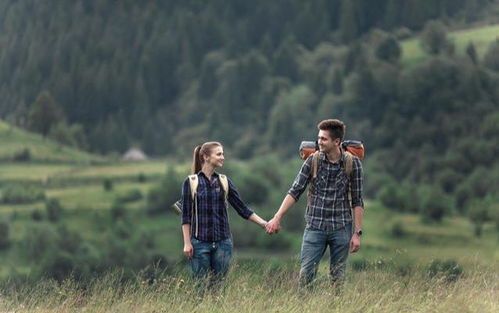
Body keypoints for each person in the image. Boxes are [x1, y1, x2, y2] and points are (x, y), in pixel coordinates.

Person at [266, 119, 364, 287]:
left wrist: (357, 233)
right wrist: (277, 217)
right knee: (306, 275)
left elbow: (358, 200)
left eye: (324, 139)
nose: (319, 142)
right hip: (315, 227)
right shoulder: (313, 160)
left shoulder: (352, 163)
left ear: (337, 142)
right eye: (319, 138)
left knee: (338, 278)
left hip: (341, 228)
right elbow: (295, 191)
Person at [181, 141, 267, 291]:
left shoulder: (224, 181)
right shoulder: (191, 182)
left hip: (223, 244)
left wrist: (265, 224)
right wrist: (187, 243)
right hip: (199, 244)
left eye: (223, 154)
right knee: (199, 289)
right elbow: (186, 216)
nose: (223, 157)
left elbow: (242, 209)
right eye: (219, 154)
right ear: (206, 157)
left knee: (218, 289)